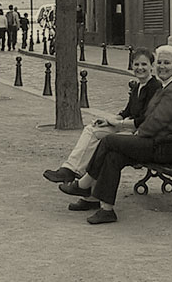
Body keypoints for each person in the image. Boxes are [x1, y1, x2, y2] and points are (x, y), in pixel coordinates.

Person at [59, 45, 172, 225]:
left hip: (168, 148)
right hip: (156, 142)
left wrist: (137, 135)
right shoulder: (166, 86)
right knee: (114, 155)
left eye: (167, 63)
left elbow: (157, 122)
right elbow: (148, 117)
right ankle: (105, 208)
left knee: (109, 140)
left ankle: (84, 184)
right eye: (160, 62)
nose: (162, 66)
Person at [43, 48, 160, 184]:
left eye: (144, 64)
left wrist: (117, 124)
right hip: (128, 127)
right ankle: (69, 169)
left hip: (141, 134)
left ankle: (84, 180)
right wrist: (108, 121)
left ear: (152, 66)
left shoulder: (155, 87)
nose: (140, 68)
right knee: (91, 129)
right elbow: (127, 112)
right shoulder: (137, 87)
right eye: (136, 64)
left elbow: (144, 119)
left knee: (105, 142)